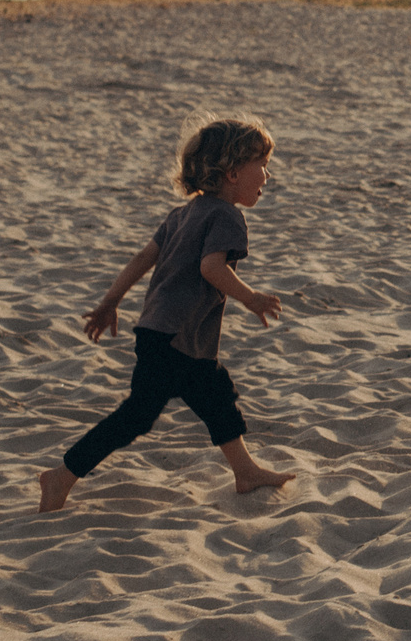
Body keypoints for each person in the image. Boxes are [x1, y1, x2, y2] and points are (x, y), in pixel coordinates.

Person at [39, 116, 293, 513]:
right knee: (137, 416)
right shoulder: (227, 217)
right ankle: (61, 476)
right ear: (232, 172)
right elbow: (212, 268)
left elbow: (143, 258)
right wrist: (251, 298)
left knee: (215, 397)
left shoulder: (181, 214)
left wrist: (110, 302)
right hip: (178, 337)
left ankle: (245, 472)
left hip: (159, 330)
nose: (267, 174)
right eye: (261, 164)